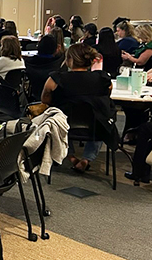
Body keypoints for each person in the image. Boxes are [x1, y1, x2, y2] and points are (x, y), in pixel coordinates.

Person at [42, 43, 113, 173]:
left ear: (69, 60)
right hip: (96, 125)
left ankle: (71, 157)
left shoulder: (56, 79)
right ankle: (87, 159)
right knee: (102, 115)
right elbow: (106, 98)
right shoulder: (103, 79)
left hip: (65, 124)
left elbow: (45, 99)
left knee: (56, 118)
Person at [24, 35, 65, 101]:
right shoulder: (60, 63)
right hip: (53, 99)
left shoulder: (28, 63)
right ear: (56, 49)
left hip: (33, 96)